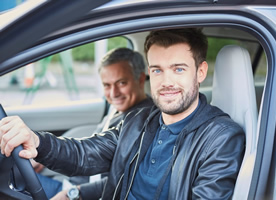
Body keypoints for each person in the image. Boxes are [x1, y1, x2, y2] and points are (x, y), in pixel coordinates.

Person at [0, 28, 245, 199]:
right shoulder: (138, 121)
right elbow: (84, 153)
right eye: (157, 70)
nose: (166, 81)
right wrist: (37, 141)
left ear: (200, 72)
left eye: (178, 69)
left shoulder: (221, 137)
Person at [35, 47, 153, 199]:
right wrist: (42, 157)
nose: (113, 93)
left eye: (122, 83)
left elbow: (128, 180)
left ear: (141, 79)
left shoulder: (145, 122)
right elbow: (90, 148)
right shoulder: (118, 108)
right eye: (107, 85)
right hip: (72, 182)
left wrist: (74, 194)